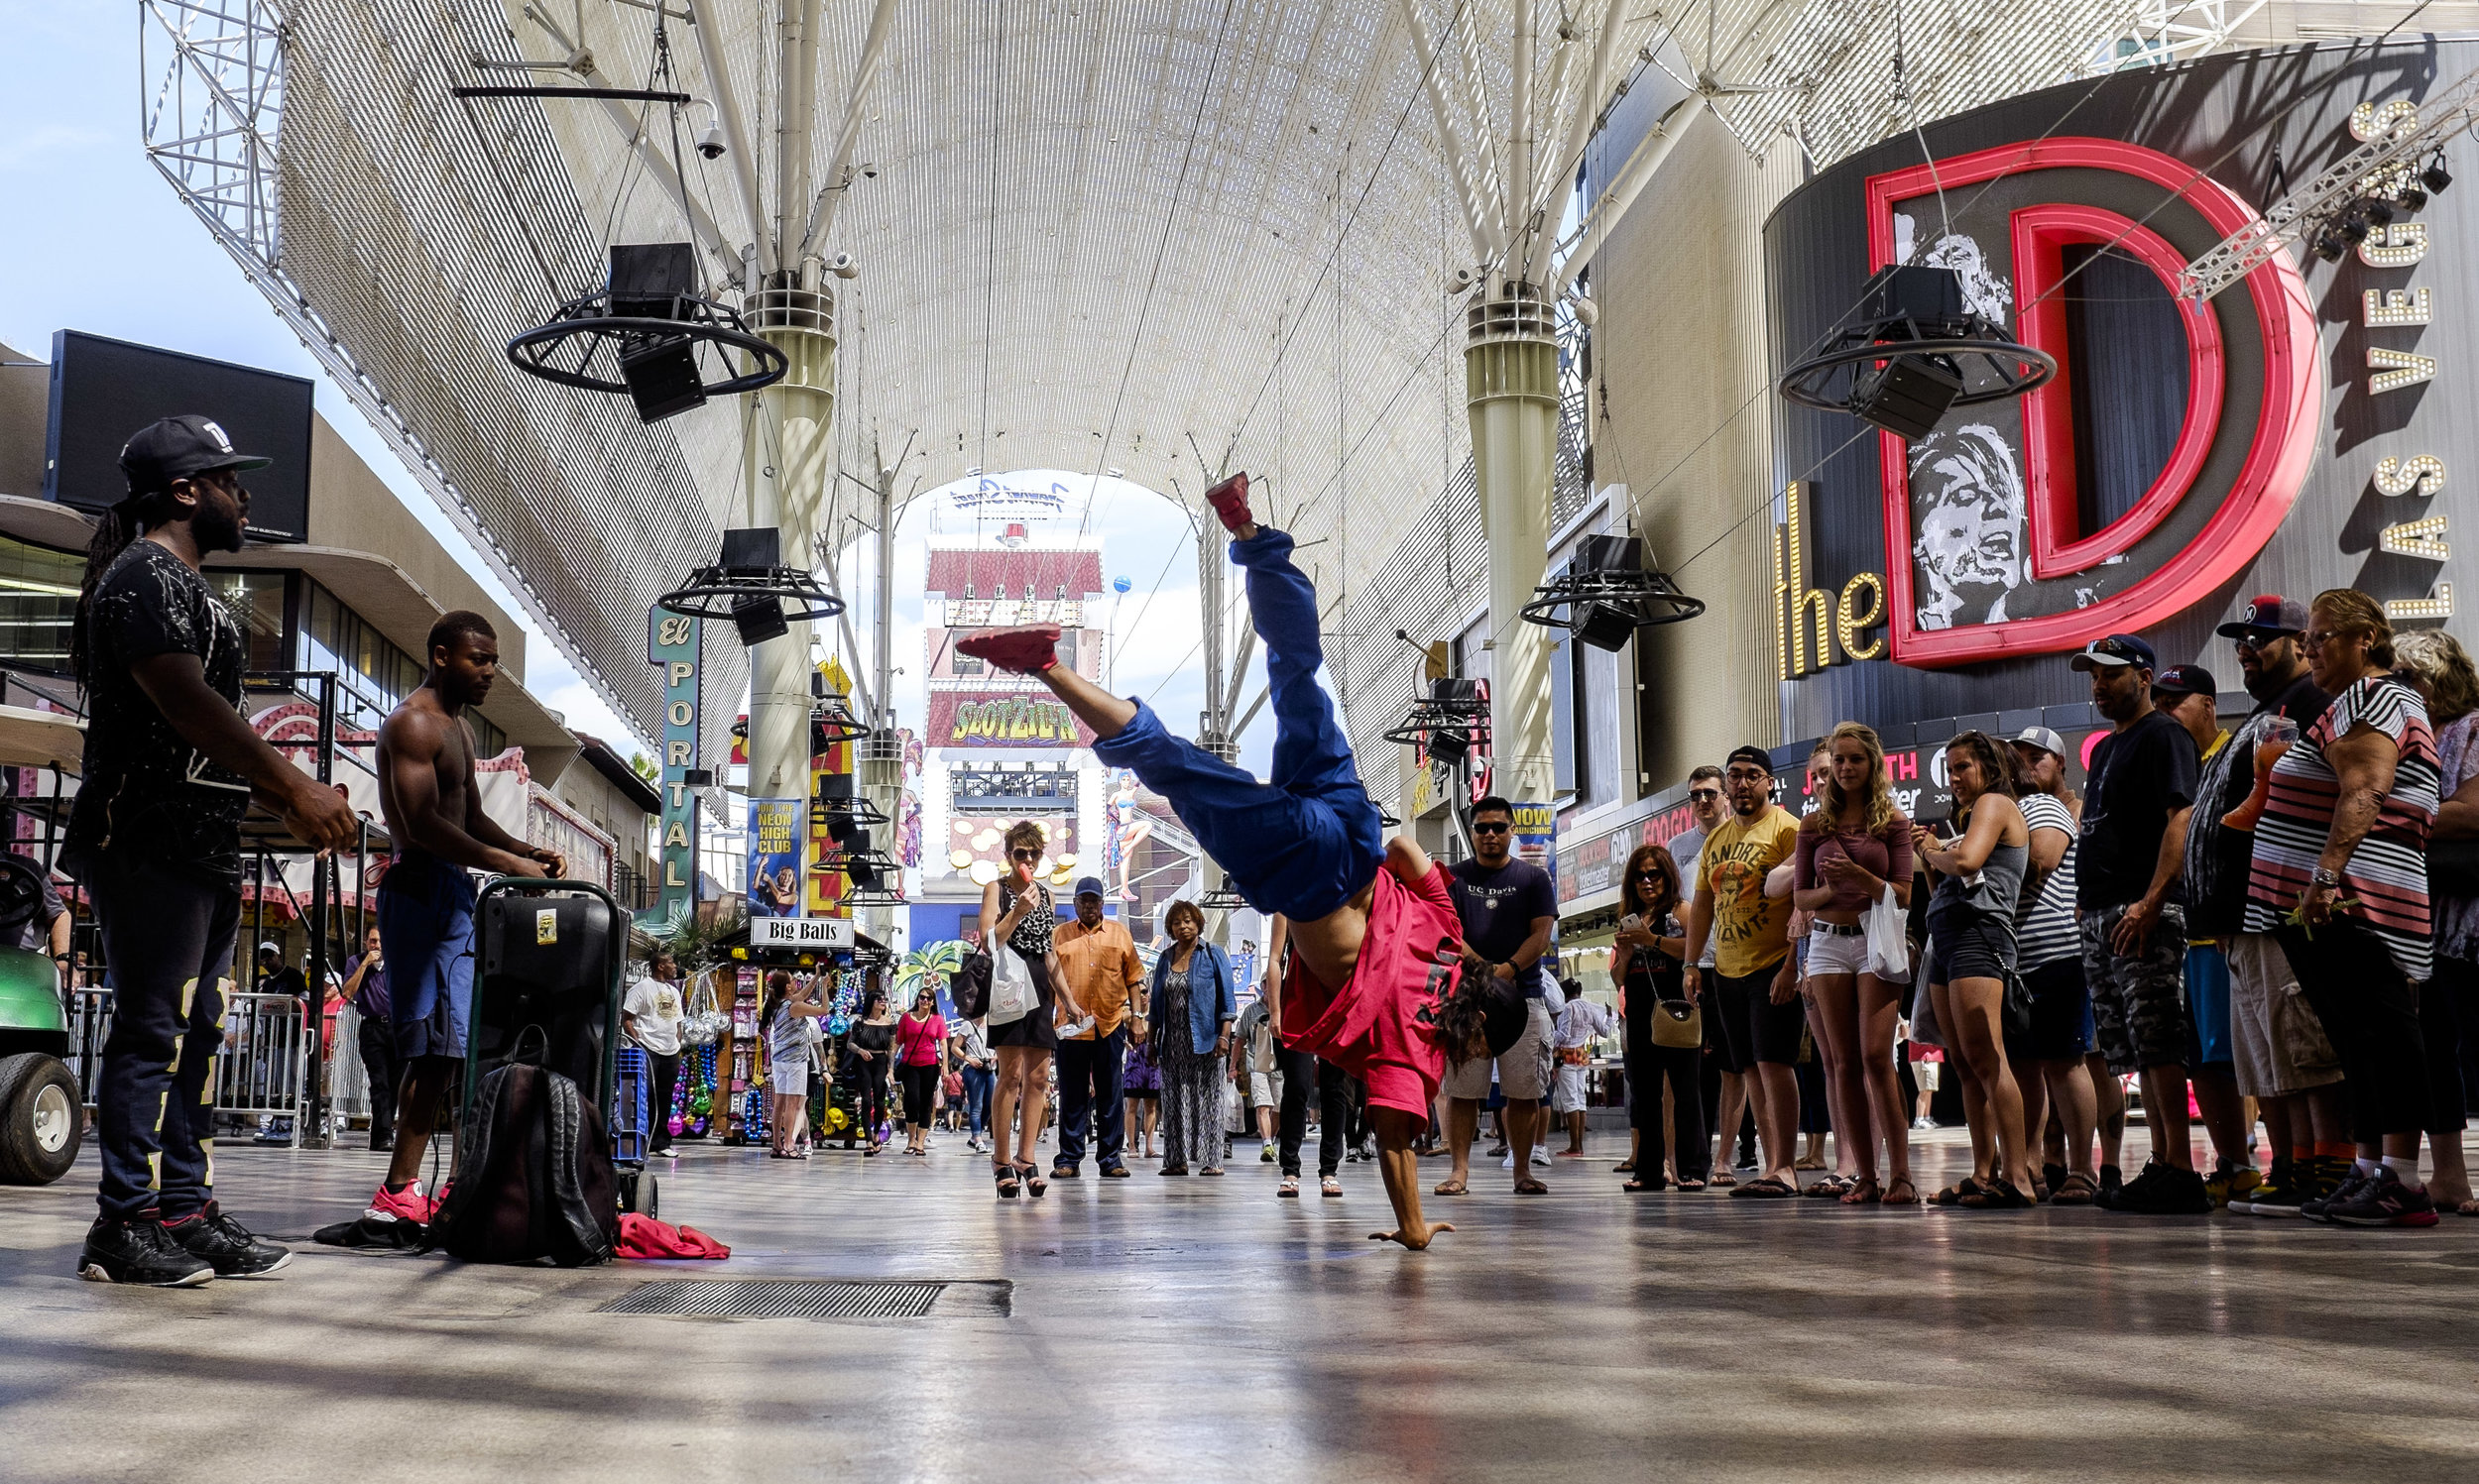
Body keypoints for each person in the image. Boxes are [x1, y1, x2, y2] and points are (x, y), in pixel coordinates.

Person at [954, 472, 1525, 1248]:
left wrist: (1342, 846)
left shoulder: (1454, 933)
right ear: (1479, 1035)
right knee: (1180, 769)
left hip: (1351, 823)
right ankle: (1049, 664)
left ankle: (1251, 533)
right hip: (1310, 875)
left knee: (1298, 672)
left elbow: (1403, 846)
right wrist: (1415, 1227)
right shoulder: (1416, 1042)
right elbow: (1394, 1144)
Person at [65, 416, 360, 1286]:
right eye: (231, 481)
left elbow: (207, 737)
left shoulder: (191, 589)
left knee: (201, 1030)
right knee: (153, 1030)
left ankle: (181, 1210)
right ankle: (122, 1223)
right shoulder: (142, 578)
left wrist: (283, 799)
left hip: (201, 843)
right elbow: (185, 703)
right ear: (187, 491)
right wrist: (295, 786)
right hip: (145, 837)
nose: (246, 496)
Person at [2245, 590, 2442, 1227]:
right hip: (2328, 902)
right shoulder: (2345, 705)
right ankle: (2366, 1171)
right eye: (2310, 640)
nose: (2311, 648)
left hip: (2360, 898)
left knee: (2383, 1031)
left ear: (2366, 639)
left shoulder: (2376, 697)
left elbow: (2365, 789)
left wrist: (2325, 877)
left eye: (2324, 637)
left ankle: (2404, 1184)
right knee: (2355, 1036)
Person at [366, 610, 562, 1224]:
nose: (491, 673)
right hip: (418, 891)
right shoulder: (412, 725)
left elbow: (469, 815)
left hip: (452, 894)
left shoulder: (460, 730)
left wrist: (527, 851)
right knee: (428, 1048)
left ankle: (448, 1184)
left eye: (495, 661)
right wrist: (507, 865)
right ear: (443, 655)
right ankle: (399, 1189)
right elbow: (424, 825)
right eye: (481, 659)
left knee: (454, 1049)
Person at [2189, 597, 2345, 1217]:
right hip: (2237, 921)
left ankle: (2329, 1166)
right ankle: (2294, 1164)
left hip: (2280, 909)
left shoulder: (2312, 703)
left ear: (2302, 644)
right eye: (2240, 639)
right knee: (2267, 1056)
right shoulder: (2263, 713)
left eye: (2261, 637)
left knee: (2305, 1046)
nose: (2246, 648)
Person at [2070, 633, 2210, 1215]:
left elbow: (2182, 818)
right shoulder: (2106, 749)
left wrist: (2152, 900)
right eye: (2094, 676)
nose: (2099, 685)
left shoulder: (2165, 735)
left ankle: (2181, 1164)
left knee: (2157, 1035)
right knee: (2129, 1046)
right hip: (2102, 913)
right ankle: (2160, 1162)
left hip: (2140, 909)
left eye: (2110, 673)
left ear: (2144, 676)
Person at [1791, 723, 1917, 1205]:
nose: (1844, 769)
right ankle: (1864, 1175)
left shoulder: (1893, 822)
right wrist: (1830, 889)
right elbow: (1802, 896)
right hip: (1825, 942)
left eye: (1854, 760)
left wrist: (1859, 876)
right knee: (1840, 1062)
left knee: (1874, 1057)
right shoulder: (1812, 825)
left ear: (1872, 765)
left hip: (1875, 940)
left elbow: (1903, 895)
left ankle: (1900, 1173)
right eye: (1838, 761)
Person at [1913, 731, 2038, 1207]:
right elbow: (1941, 880)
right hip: (1947, 937)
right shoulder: (1967, 817)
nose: (1954, 778)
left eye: (1962, 766)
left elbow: (1964, 862)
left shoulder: (1995, 803)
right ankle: (1983, 1172)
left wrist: (1930, 850)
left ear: (1988, 767)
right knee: (1964, 1064)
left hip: (1978, 935)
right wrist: (1931, 853)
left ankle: (2018, 1176)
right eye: (1949, 769)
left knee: (1988, 1058)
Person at [2149, 663, 2255, 1205]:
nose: (2166, 712)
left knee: (2247, 1053)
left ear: (2209, 704)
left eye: (2177, 701)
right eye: (2160, 703)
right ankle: (2233, 1162)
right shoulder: (2171, 763)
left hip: (2232, 927)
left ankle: (2286, 1158)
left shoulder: (2236, 752)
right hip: (2185, 932)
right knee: (2206, 1056)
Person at [1683, 746, 1805, 1199]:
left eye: (1752, 775)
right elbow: (1703, 906)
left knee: (1775, 1065)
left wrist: (1793, 964)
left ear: (1769, 782)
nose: (1741, 783)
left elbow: (1803, 903)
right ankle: (1772, 1167)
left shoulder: (1789, 830)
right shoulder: (1715, 840)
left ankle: (1786, 1167)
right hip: (1725, 971)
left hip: (1772, 963)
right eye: (1734, 775)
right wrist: (1692, 964)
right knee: (1750, 1070)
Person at [2393, 628, 2478, 1215]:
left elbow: (2472, 814)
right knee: (2431, 1050)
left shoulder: (2473, 728)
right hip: (2423, 916)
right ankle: (2448, 1175)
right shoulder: (2407, 735)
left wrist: (2389, 810)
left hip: (2470, 916)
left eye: (2407, 679)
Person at [1435, 795, 1558, 1196]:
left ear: (1511, 830)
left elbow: (1541, 934)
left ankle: (1522, 1170)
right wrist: (1482, 972)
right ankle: (1459, 1172)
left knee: (1523, 1091)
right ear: (1471, 833)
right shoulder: (1452, 878)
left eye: (1498, 827)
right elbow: (1447, 933)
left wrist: (1507, 970)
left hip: (1525, 998)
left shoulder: (1533, 878)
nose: (1490, 835)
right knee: (1462, 1090)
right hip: (1465, 1002)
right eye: (1482, 828)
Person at [2007, 728, 2102, 1205]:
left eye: (2035, 756)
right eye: (2017, 756)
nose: (2025, 763)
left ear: (2060, 761)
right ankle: (2030, 1166)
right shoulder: (2013, 809)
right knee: (2024, 1066)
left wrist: (1970, 861)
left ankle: (2083, 1168)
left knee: (2065, 1063)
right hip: (2017, 956)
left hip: (2058, 950)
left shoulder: (2049, 808)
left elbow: (2040, 863)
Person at [980, 820, 1071, 1199]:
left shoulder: (1046, 896)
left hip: (1039, 988)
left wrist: (1069, 1000)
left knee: (1037, 1078)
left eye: (1035, 853)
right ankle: (1001, 1160)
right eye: (1021, 853)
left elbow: (1049, 953)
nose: (1029, 859)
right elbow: (989, 942)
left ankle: (1026, 1158)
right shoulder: (996, 890)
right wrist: (1016, 911)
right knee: (1011, 1075)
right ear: (1008, 855)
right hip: (1007, 988)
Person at [1612, 844, 1704, 1191]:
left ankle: (1692, 1168)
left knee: (1686, 1092)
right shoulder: (1630, 917)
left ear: (1667, 876)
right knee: (1645, 1095)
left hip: (1678, 1010)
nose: (1647, 882)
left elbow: (1695, 948)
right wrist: (1625, 953)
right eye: (1640, 876)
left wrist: (1651, 940)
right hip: (1639, 1013)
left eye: (1654, 875)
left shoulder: (1681, 911)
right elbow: (1618, 978)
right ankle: (1649, 1171)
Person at [1049, 874, 1145, 1180]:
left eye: (1094, 901)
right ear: (1075, 904)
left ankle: (1110, 1158)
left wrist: (1139, 1018)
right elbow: (1047, 980)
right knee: (1072, 1095)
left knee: (1111, 1095)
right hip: (1070, 1027)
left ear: (1102, 904)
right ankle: (1069, 1158)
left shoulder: (1119, 934)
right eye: (1083, 901)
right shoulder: (1059, 935)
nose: (1089, 906)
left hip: (1110, 1023)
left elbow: (1134, 980)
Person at [1149, 899, 1238, 1176]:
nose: (1183, 926)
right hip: (1172, 1043)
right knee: (1174, 1100)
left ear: (1198, 923)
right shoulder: (1165, 958)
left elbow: (1228, 1002)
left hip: (1207, 1041)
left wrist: (1224, 1037)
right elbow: (1154, 1007)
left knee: (1209, 1099)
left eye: (1188, 920)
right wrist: (1152, 1043)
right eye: (1177, 922)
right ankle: (1176, 1160)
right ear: (1170, 928)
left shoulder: (1213, 954)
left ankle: (1212, 1160)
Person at [622, 950, 687, 1157]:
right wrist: (639, 1043)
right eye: (671, 962)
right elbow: (626, 1019)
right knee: (644, 1095)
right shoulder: (641, 988)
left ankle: (661, 1142)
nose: (675, 966)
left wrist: (677, 1040)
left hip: (670, 1051)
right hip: (648, 1049)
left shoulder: (674, 991)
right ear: (660, 966)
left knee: (665, 1097)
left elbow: (678, 1021)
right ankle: (641, 1140)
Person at [342, 927, 398, 1152]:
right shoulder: (356, 962)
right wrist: (365, 965)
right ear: (366, 942)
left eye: (381, 941)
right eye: (373, 941)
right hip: (372, 1027)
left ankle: (382, 1134)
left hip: (395, 1027)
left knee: (394, 1084)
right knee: (379, 1082)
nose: (377, 946)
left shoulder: (396, 962)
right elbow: (347, 993)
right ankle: (384, 1134)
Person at [1549, 976, 1615, 1158]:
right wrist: (1609, 1017)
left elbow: (1563, 1034)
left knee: (1570, 1101)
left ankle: (1574, 1146)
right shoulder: (1589, 1007)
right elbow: (1603, 1031)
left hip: (1566, 1055)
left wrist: (1548, 1036)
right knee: (1580, 1099)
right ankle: (1578, 1145)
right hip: (1581, 1055)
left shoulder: (1568, 1008)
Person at [764, 971, 826, 1157]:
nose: (796, 981)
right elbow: (824, 1010)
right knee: (792, 1105)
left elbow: (804, 994)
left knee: (779, 1104)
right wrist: (824, 987)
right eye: (793, 980)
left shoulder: (779, 1003)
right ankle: (789, 1145)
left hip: (780, 1060)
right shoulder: (794, 1006)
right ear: (788, 987)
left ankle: (776, 1144)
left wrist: (816, 977)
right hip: (795, 1061)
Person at [835, 984, 896, 1155]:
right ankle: (868, 1139)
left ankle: (877, 1133)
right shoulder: (860, 1022)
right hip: (864, 1062)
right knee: (866, 1100)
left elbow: (891, 1048)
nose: (883, 1002)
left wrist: (891, 1070)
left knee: (879, 1100)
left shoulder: (890, 1023)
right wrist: (861, 1051)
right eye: (879, 999)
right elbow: (850, 1043)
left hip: (881, 1062)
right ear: (872, 1002)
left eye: (884, 999)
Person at [894, 986, 948, 1158]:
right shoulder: (906, 1018)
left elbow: (943, 1043)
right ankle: (911, 1140)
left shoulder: (937, 1019)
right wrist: (890, 1065)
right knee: (912, 1099)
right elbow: (897, 1042)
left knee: (926, 1103)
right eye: (922, 997)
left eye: (928, 998)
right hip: (910, 1065)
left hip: (930, 1065)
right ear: (917, 999)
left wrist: (945, 1064)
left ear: (932, 1002)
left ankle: (920, 1143)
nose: (925, 1001)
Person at [1235, 995, 1283, 1160]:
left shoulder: (1284, 1007)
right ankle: (1267, 1143)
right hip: (1257, 1065)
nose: (1267, 986)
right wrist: (1232, 1066)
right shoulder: (1251, 1010)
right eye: (1264, 983)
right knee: (1262, 1104)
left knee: (1278, 1107)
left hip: (1280, 1066)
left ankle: (1272, 1140)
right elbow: (1240, 1039)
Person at [952, 1014, 996, 1153]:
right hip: (973, 1068)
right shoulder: (968, 1025)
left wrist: (996, 1057)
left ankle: (975, 1136)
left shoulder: (992, 1023)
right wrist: (969, 1059)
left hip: (989, 1068)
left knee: (989, 1105)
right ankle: (978, 1139)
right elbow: (955, 1047)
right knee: (976, 1105)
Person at [1122, 1021, 1162, 1160]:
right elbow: (1125, 1018)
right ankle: (1131, 1145)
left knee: (1151, 1107)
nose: (1144, 997)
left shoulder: (1153, 1014)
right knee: (1131, 1105)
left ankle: (1149, 1147)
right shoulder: (1130, 1014)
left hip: (1152, 1063)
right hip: (1134, 1063)